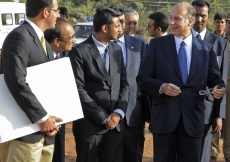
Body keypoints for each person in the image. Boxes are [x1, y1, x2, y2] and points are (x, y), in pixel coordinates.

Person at [137, 2, 226, 162]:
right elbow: (142, 79)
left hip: (193, 121)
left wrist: (219, 89)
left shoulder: (206, 49)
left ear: (190, 21)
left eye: (177, 19)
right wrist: (161, 87)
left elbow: (215, 80)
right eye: (171, 18)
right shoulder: (156, 45)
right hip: (165, 120)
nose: (171, 22)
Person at [0, 0, 62, 162]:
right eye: (56, 11)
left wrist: (51, 119)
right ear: (45, 12)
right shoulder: (18, 37)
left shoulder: (43, 41)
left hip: (44, 131)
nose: (59, 15)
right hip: (23, 132)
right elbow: (16, 81)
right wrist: (42, 117)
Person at [68, 6, 129, 162]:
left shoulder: (116, 49)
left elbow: (124, 84)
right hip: (90, 127)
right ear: (104, 28)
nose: (121, 28)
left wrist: (118, 113)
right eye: (117, 25)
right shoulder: (79, 52)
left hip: (115, 127)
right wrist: (103, 117)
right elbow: (78, 89)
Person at [191, 1, 229, 162]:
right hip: (182, 106)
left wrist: (219, 115)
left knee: (203, 155)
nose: (199, 19)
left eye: (203, 15)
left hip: (207, 108)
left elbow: (221, 83)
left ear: (208, 18)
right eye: (196, 15)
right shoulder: (178, 41)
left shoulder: (221, 44)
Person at [110, 6, 146, 162]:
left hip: (134, 112)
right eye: (127, 23)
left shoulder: (140, 44)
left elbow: (146, 75)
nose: (131, 26)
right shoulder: (105, 44)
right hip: (109, 112)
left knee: (133, 154)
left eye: (134, 23)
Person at [44, 18, 75, 162]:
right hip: (41, 122)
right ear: (57, 41)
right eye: (71, 37)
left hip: (59, 119)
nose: (74, 40)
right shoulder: (40, 57)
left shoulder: (64, 56)